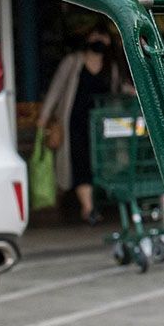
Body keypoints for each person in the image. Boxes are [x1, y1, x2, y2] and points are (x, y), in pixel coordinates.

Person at [38, 30, 121, 226]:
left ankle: (96, 202)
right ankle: (88, 208)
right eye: (94, 36)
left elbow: (116, 89)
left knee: (99, 161)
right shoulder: (73, 61)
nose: (99, 40)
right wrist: (44, 116)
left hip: (102, 126)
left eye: (103, 37)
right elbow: (56, 89)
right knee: (80, 162)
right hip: (75, 122)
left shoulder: (111, 66)